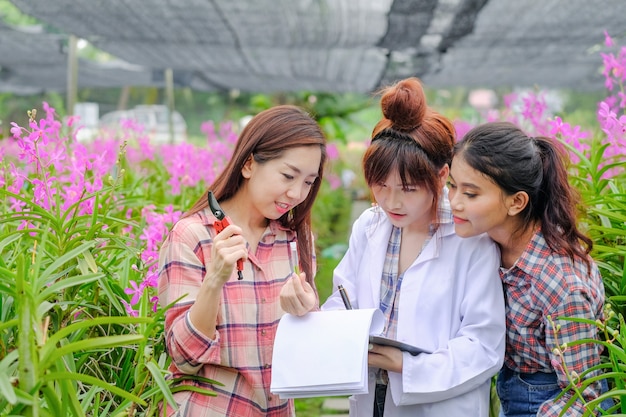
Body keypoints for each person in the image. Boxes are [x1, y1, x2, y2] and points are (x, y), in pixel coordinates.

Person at [315, 77, 506, 417]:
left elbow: (483, 345)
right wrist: (322, 319)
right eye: (380, 185)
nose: (392, 201)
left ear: (441, 174)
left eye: (408, 188)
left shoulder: (470, 240)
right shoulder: (370, 226)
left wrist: (406, 365)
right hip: (371, 397)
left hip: (439, 405)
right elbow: (344, 301)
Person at [157, 105, 327, 417]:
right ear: (248, 164)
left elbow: (306, 357)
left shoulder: (295, 241)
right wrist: (215, 280)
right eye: (288, 175)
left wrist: (305, 313)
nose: (296, 193)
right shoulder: (192, 235)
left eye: (308, 181)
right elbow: (183, 358)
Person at [447, 121, 609, 417]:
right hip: (509, 389)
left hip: (552, 402)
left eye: (470, 194)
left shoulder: (560, 284)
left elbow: (585, 398)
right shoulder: (487, 239)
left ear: (516, 202)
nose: (454, 203)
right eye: (451, 186)